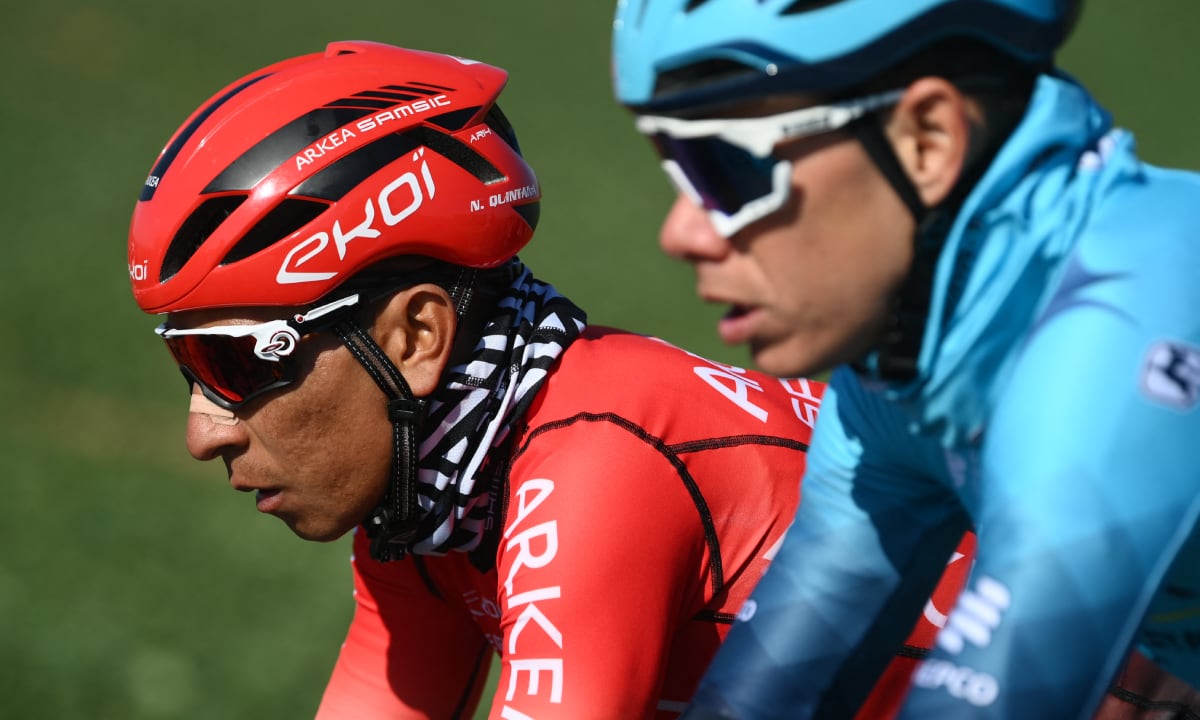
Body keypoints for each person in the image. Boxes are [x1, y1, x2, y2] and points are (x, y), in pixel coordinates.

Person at [126, 41, 972, 719]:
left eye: (234, 363)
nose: (204, 432)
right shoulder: (432, 495)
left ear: (417, 336)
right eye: (188, 369)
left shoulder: (600, 457)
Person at [612, 1, 1200, 718]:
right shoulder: (898, 372)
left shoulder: (1131, 320)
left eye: (730, 167)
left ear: (928, 140)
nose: (682, 232)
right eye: (674, 167)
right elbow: (765, 697)